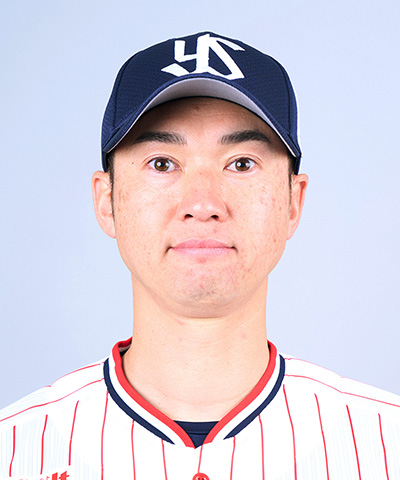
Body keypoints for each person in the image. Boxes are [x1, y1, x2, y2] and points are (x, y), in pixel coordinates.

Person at [0, 31, 399, 480]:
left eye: (241, 163)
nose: (203, 203)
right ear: (106, 200)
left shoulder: (386, 444)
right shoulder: (14, 451)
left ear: (293, 202)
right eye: (162, 163)